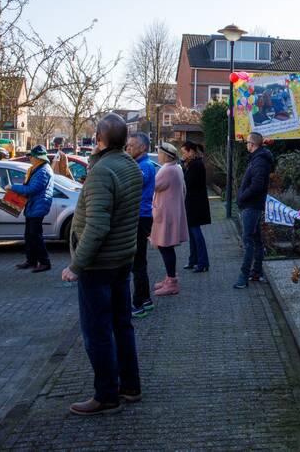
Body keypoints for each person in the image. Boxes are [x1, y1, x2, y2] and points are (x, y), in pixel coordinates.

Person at [61, 113, 142, 416]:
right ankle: (130, 386)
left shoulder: (102, 172)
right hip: (122, 260)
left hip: (99, 265)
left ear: (99, 140)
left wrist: (76, 265)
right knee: (122, 326)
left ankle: (106, 395)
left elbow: (97, 226)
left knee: (97, 332)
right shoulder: (130, 166)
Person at [234, 132, 274, 289]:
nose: (246, 145)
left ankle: (244, 276)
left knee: (248, 240)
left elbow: (257, 185)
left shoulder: (259, 161)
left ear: (253, 144)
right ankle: (256, 272)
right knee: (256, 240)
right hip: (253, 205)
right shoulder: (258, 159)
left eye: (248, 142)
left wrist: (243, 197)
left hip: (251, 206)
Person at [123, 132, 156, 318]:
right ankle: (145, 300)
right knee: (139, 261)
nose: (128, 149)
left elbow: (132, 181)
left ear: (143, 148)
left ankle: (138, 304)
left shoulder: (144, 166)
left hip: (140, 217)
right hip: (141, 216)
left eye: (131, 146)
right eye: (127, 146)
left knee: (138, 262)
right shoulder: (141, 164)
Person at [150, 142, 188, 297]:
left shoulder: (167, 170)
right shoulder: (176, 168)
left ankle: (172, 282)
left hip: (166, 214)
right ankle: (169, 278)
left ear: (165, 155)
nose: (158, 155)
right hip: (170, 213)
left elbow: (152, 186)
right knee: (166, 247)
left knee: (165, 246)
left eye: (159, 153)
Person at [8, 145, 54, 273]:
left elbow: (31, 189)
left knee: (35, 235)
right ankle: (31, 260)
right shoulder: (37, 168)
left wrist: (13, 187)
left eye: (31, 156)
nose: (30, 158)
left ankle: (45, 262)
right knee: (29, 235)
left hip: (38, 206)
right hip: (33, 205)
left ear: (38, 158)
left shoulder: (43, 171)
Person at [181, 141, 210, 273]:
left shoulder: (196, 165)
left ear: (191, 151)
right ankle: (193, 260)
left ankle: (203, 262)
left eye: (184, 152)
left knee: (196, 233)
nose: (183, 155)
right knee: (192, 234)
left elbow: (188, 182)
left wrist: (184, 166)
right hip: (191, 203)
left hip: (195, 204)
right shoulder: (191, 164)